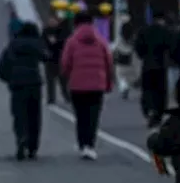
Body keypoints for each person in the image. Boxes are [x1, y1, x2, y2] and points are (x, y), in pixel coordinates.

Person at [59, 11, 114, 160]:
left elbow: (65, 63)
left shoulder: (72, 41)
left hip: (77, 85)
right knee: (93, 116)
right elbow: (108, 63)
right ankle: (90, 144)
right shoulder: (101, 41)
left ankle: (82, 144)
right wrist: (108, 83)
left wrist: (66, 77)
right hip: (97, 84)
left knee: (81, 116)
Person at [0, 21, 49, 160]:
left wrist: (9, 79)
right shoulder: (37, 44)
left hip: (18, 84)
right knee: (34, 116)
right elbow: (46, 57)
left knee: (19, 115)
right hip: (34, 82)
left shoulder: (13, 45)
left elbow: (3, 64)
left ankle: (21, 137)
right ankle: (33, 147)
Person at [135, 11, 175, 127]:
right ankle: (158, 114)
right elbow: (171, 46)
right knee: (160, 91)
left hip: (147, 65)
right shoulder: (165, 32)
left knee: (147, 90)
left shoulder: (143, 31)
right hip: (161, 65)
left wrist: (143, 56)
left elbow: (138, 48)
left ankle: (149, 110)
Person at [42, 14, 68, 105]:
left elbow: (64, 43)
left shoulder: (61, 31)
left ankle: (67, 96)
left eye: (53, 21)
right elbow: (42, 43)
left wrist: (56, 41)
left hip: (59, 58)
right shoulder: (45, 31)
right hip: (49, 59)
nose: (52, 23)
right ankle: (51, 98)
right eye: (50, 21)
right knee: (50, 80)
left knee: (63, 80)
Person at [111, 21, 139, 100]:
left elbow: (113, 49)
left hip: (121, 63)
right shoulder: (134, 40)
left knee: (121, 77)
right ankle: (129, 85)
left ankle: (124, 87)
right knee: (131, 77)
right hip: (131, 62)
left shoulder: (119, 39)